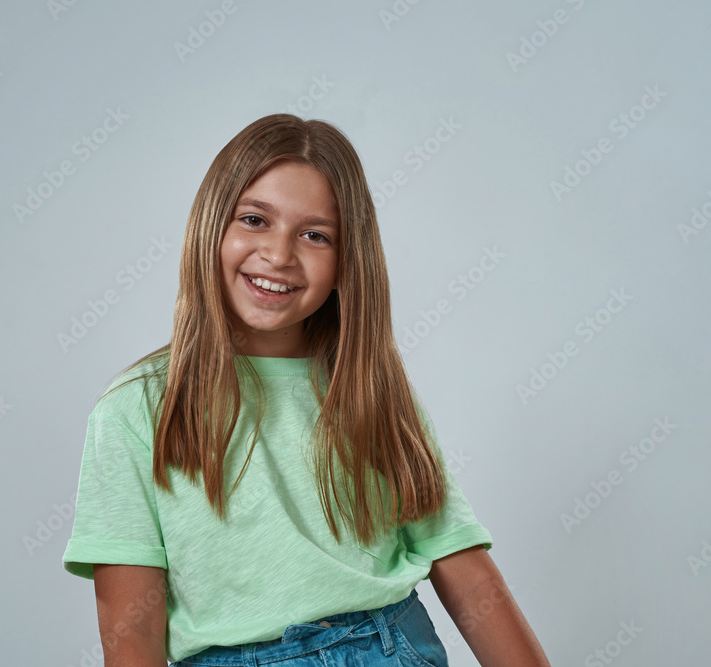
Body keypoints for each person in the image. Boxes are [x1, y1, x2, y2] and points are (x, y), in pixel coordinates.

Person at [62, 113, 550, 666]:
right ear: (209, 228)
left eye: (315, 235)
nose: (279, 254)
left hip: (389, 647)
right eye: (254, 219)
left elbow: (459, 561)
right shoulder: (137, 409)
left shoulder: (370, 391)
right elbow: (132, 635)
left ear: (347, 261)